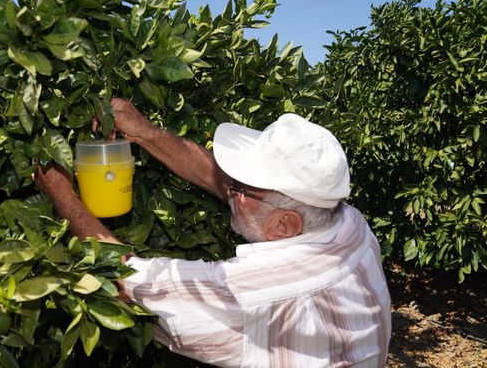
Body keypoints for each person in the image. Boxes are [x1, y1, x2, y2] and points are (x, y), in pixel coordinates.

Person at [33, 98, 392, 368]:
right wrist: (144, 132)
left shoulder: (260, 291)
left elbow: (126, 279)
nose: (228, 188)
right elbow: (217, 178)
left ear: (285, 225)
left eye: (240, 188)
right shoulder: (346, 222)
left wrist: (61, 192)